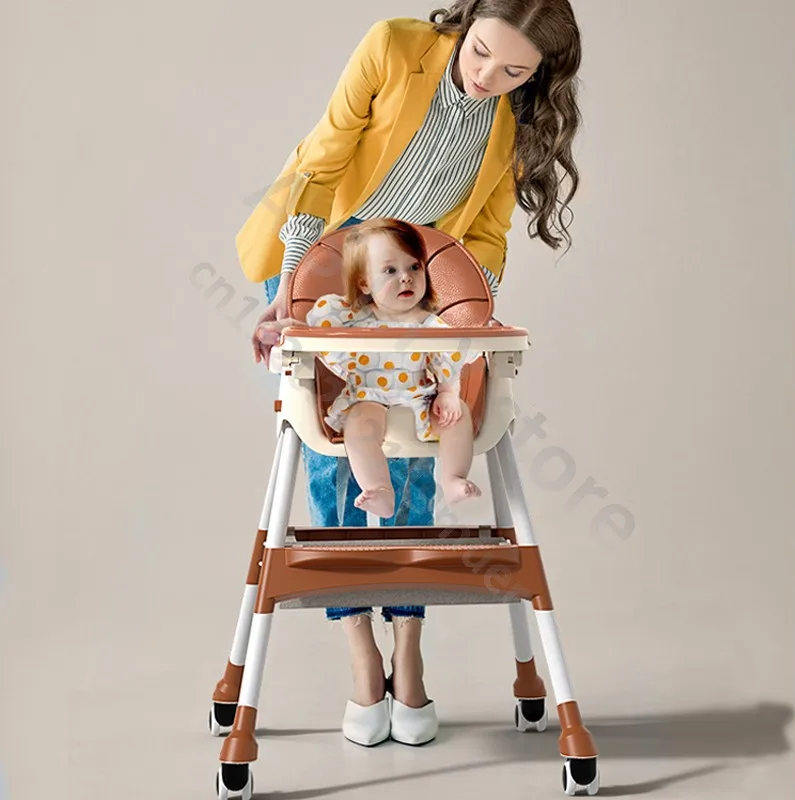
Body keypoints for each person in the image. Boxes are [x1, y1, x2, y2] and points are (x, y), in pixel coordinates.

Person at [236, 0, 583, 746]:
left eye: (516, 70)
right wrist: (292, 295)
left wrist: (465, 314)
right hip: (322, 270)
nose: (490, 77)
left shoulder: (512, 121)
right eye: (483, 52)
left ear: (539, 74)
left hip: (414, 296)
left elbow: (484, 233)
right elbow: (323, 160)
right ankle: (361, 653)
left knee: (424, 442)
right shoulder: (395, 47)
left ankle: (409, 646)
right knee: (338, 461)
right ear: (468, 23)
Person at [260, 218, 483, 516]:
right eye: (390, 270)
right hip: (368, 396)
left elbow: (448, 362)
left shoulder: (429, 323)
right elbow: (314, 336)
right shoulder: (352, 318)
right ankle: (378, 487)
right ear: (364, 282)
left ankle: (453, 477)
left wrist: (448, 393)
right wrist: (285, 328)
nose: (406, 277)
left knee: (458, 417)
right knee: (360, 426)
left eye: (414, 267)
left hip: (422, 398)